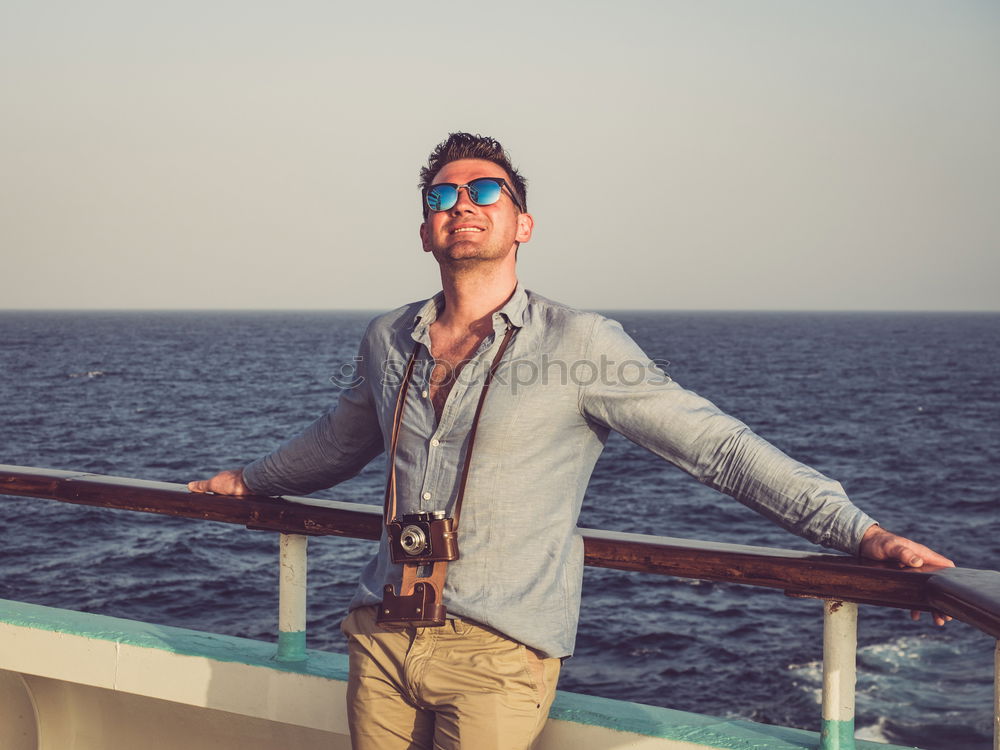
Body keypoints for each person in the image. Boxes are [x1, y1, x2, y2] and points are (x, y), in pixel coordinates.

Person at [189, 132, 954, 750]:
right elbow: (340, 439)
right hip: (383, 635)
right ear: (425, 229)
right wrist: (250, 482)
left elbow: (717, 448)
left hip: (497, 651)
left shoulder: (580, 342)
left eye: (486, 190)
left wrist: (861, 533)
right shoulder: (390, 338)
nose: (464, 203)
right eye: (444, 195)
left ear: (522, 223)